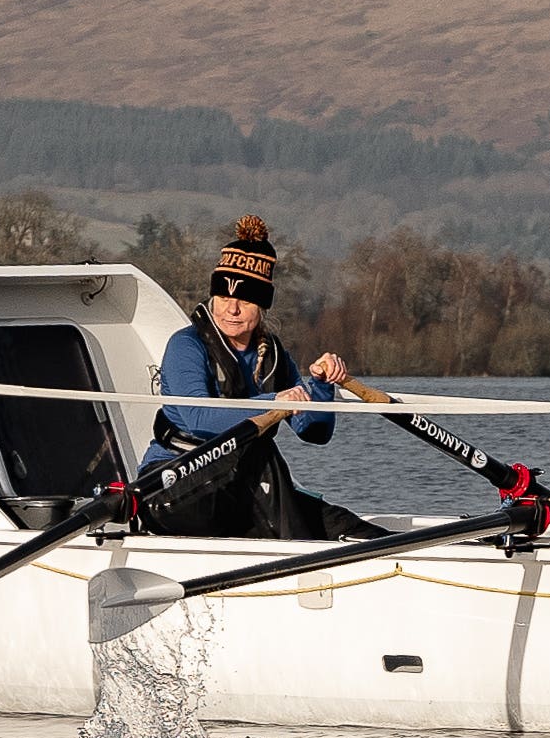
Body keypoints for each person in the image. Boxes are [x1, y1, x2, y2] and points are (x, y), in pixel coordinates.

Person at [130, 217, 381, 541]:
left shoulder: (274, 357)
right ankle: (302, 562)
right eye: (223, 297)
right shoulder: (186, 345)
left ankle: (406, 553)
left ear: (262, 305)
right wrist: (274, 402)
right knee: (259, 452)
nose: (231, 309)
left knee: (337, 523)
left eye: (245, 300)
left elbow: (315, 432)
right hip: (169, 487)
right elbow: (198, 418)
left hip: (237, 487)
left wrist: (321, 385)